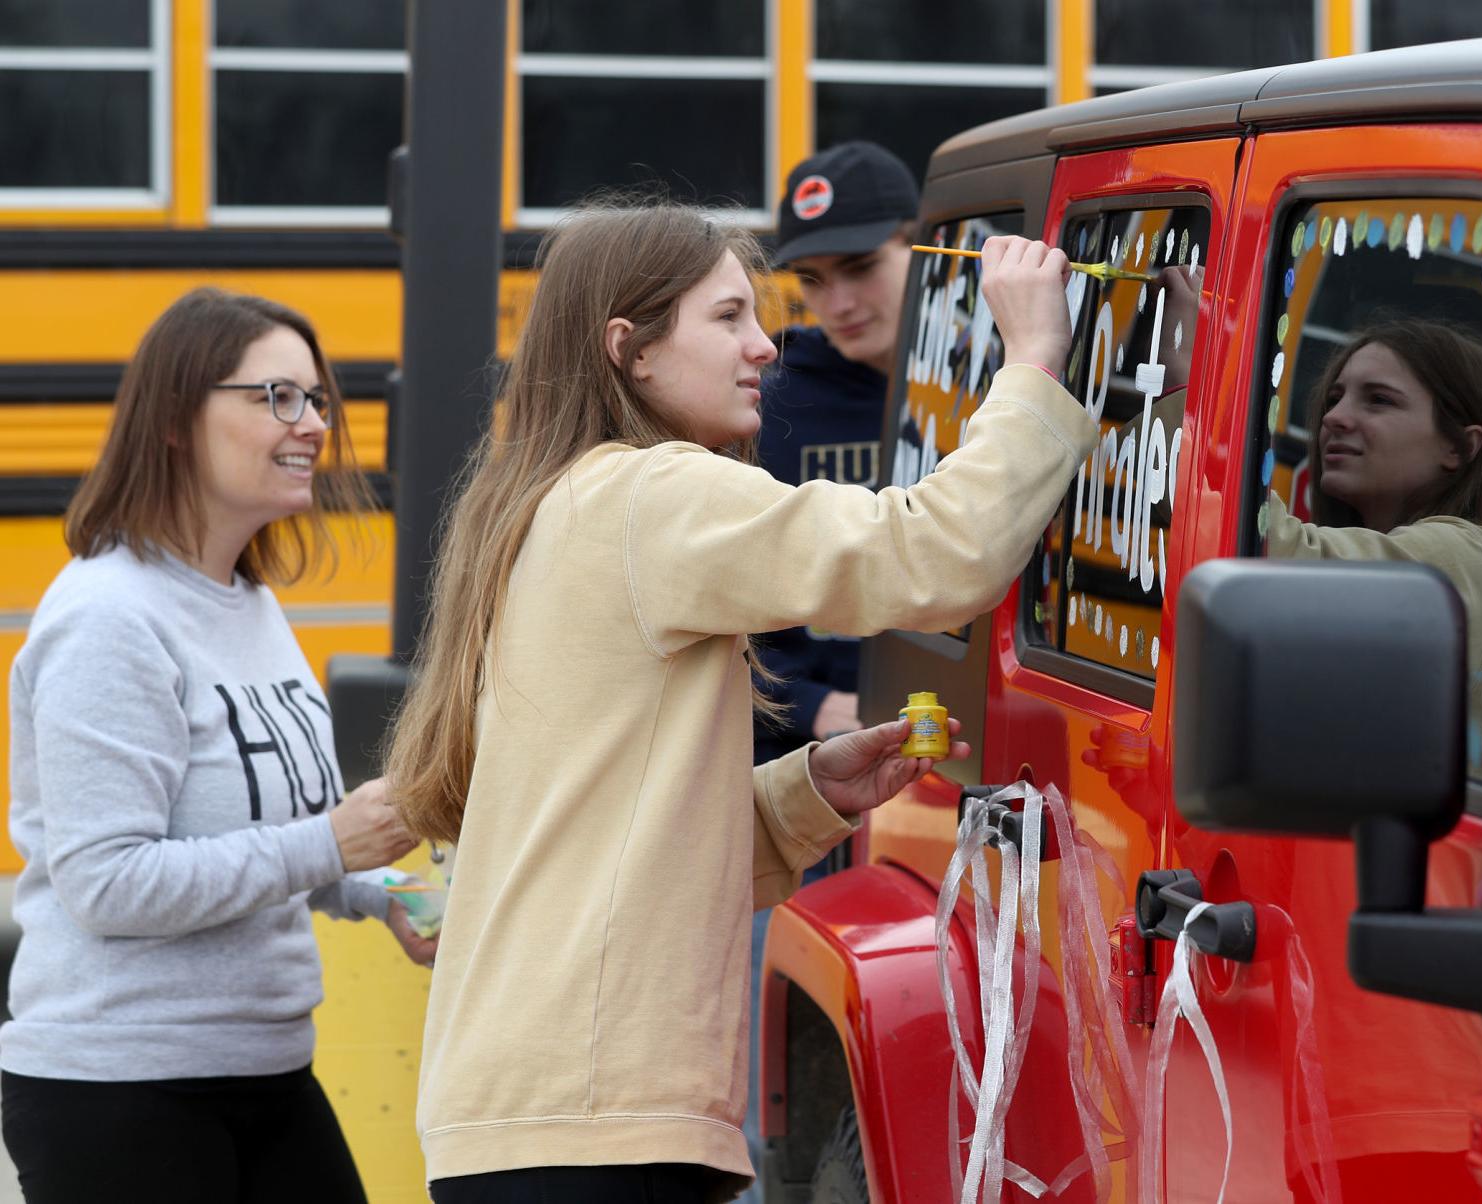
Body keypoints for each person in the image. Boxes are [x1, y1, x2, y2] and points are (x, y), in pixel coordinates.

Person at [383, 200, 1095, 1203]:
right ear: (628, 350)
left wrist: (806, 791)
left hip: (538, 1113)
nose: (766, 345)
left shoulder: (561, 500)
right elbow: (935, 554)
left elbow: (614, 844)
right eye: (727, 318)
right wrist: (1030, 360)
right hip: (596, 1123)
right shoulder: (653, 493)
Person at [2, 288, 435, 1204]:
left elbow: (279, 834)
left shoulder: (248, 603)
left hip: (266, 1068)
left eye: (317, 399)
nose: (312, 424)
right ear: (173, 421)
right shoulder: (109, 620)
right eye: (275, 397)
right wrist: (332, 845)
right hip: (118, 1091)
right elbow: (109, 883)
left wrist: (382, 890)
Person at [1263, 318, 1482, 762]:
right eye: (1334, 399)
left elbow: (1281, 565)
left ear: (1460, 447)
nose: (1334, 418)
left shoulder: (1467, 553)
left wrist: (1193, 388)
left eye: (1378, 401)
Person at [753, 141, 918, 760]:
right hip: (808, 768)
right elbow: (688, 616)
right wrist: (814, 704)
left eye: (860, 266)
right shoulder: (765, 408)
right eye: (813, 280)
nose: (838, 303)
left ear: (922, 243)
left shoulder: (989, 379)